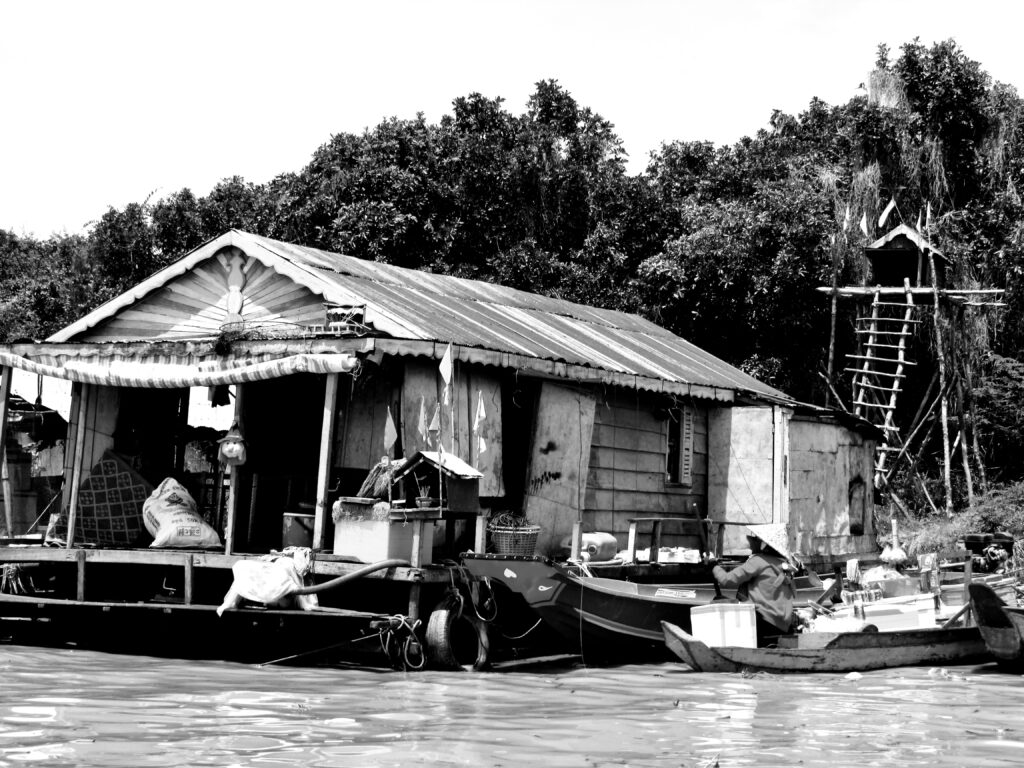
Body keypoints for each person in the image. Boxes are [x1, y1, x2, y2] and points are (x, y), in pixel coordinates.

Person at [705, 523, 798, 646]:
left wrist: (713, 565)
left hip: (763, 622)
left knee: (719, 603)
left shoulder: (758, 561)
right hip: (783, 625)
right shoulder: (785, 565)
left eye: (756, 539)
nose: (752, 542)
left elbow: (727, 580)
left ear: (763, 544)